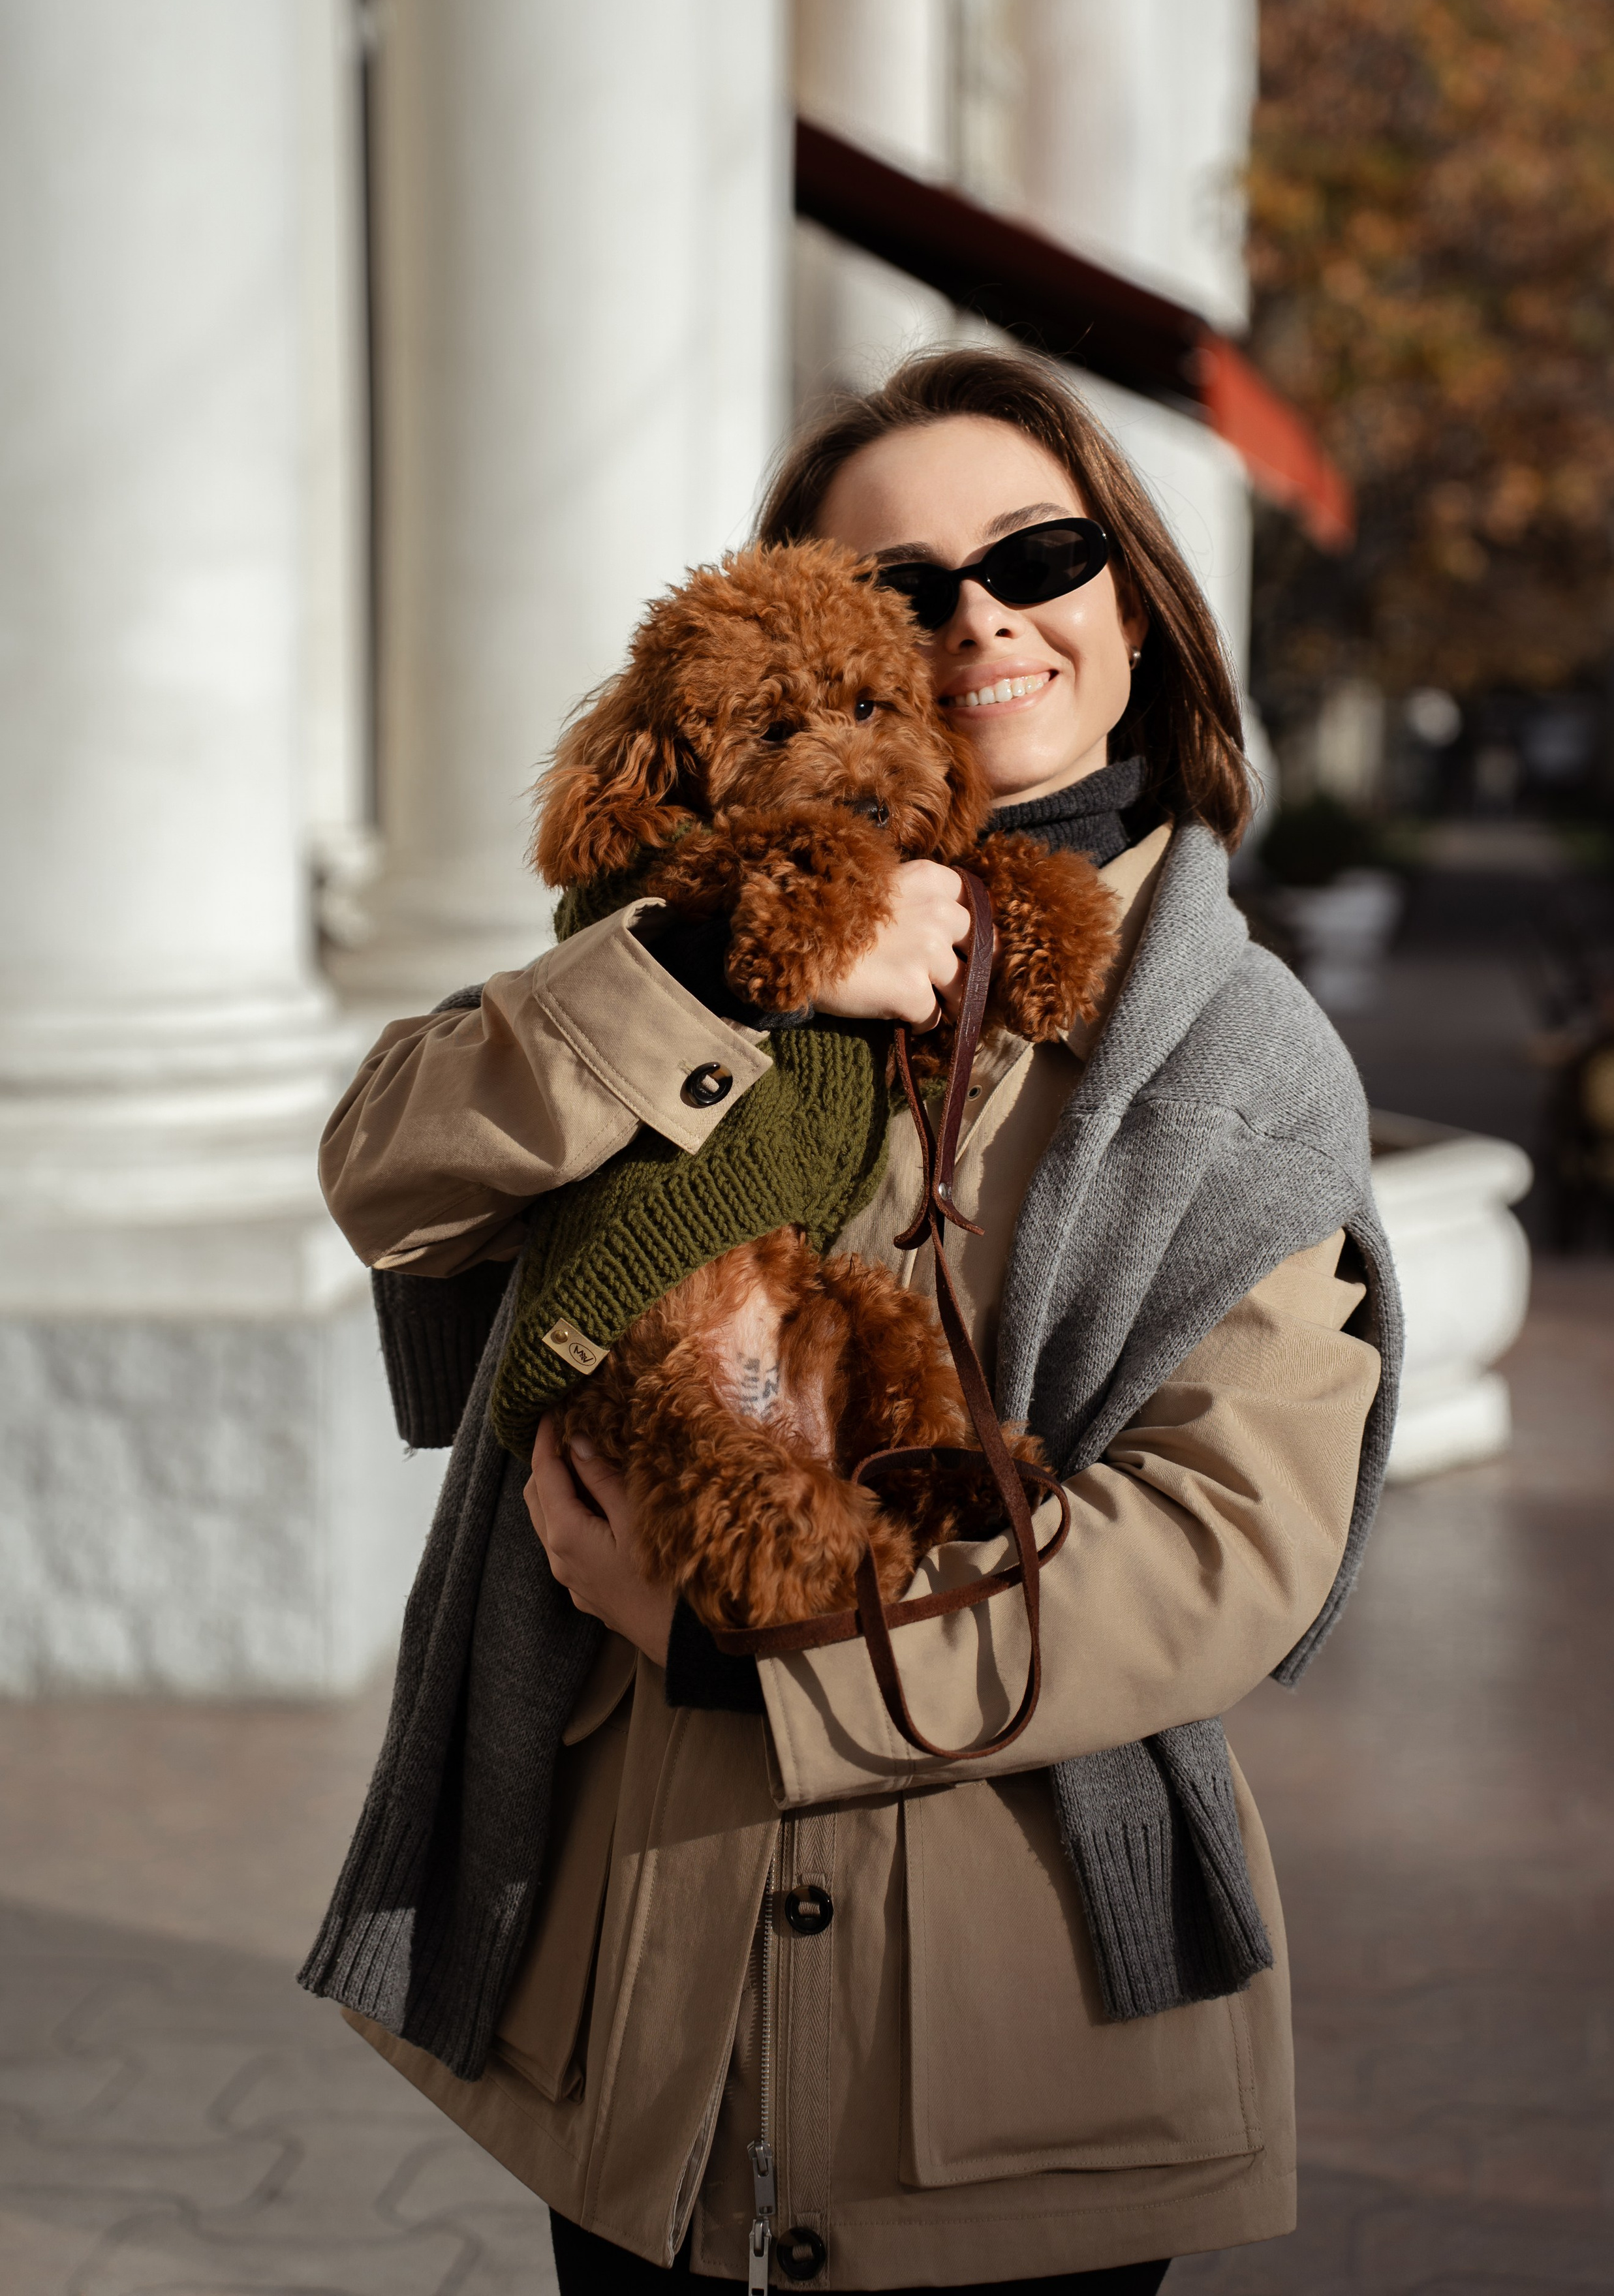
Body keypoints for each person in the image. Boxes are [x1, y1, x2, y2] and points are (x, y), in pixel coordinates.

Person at [302, 348, 1399, 2295]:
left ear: (1134, 607)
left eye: (1036, 556)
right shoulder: (675, 927)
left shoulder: (1241, 1057)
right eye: (902, 585)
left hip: (1011, 2051)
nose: (977, 619)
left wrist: (749, 1659)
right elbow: (390, 1169)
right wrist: (719, 973)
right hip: (642, 2010)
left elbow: (1229, 1548)